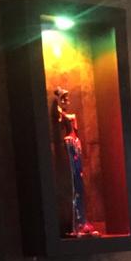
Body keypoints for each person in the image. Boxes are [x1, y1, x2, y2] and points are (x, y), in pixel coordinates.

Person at [52, 87, 99, 237]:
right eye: (64, 98)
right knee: (74, 182)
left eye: (67, 98)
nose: (66, 101)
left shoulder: (71, 116)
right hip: (70, 144)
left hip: (75, 144)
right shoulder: (62, 115)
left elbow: (75, 130)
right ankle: (76, 223)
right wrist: (57, 100)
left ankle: (81, 221)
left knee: (79, 180)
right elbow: (58, 118)